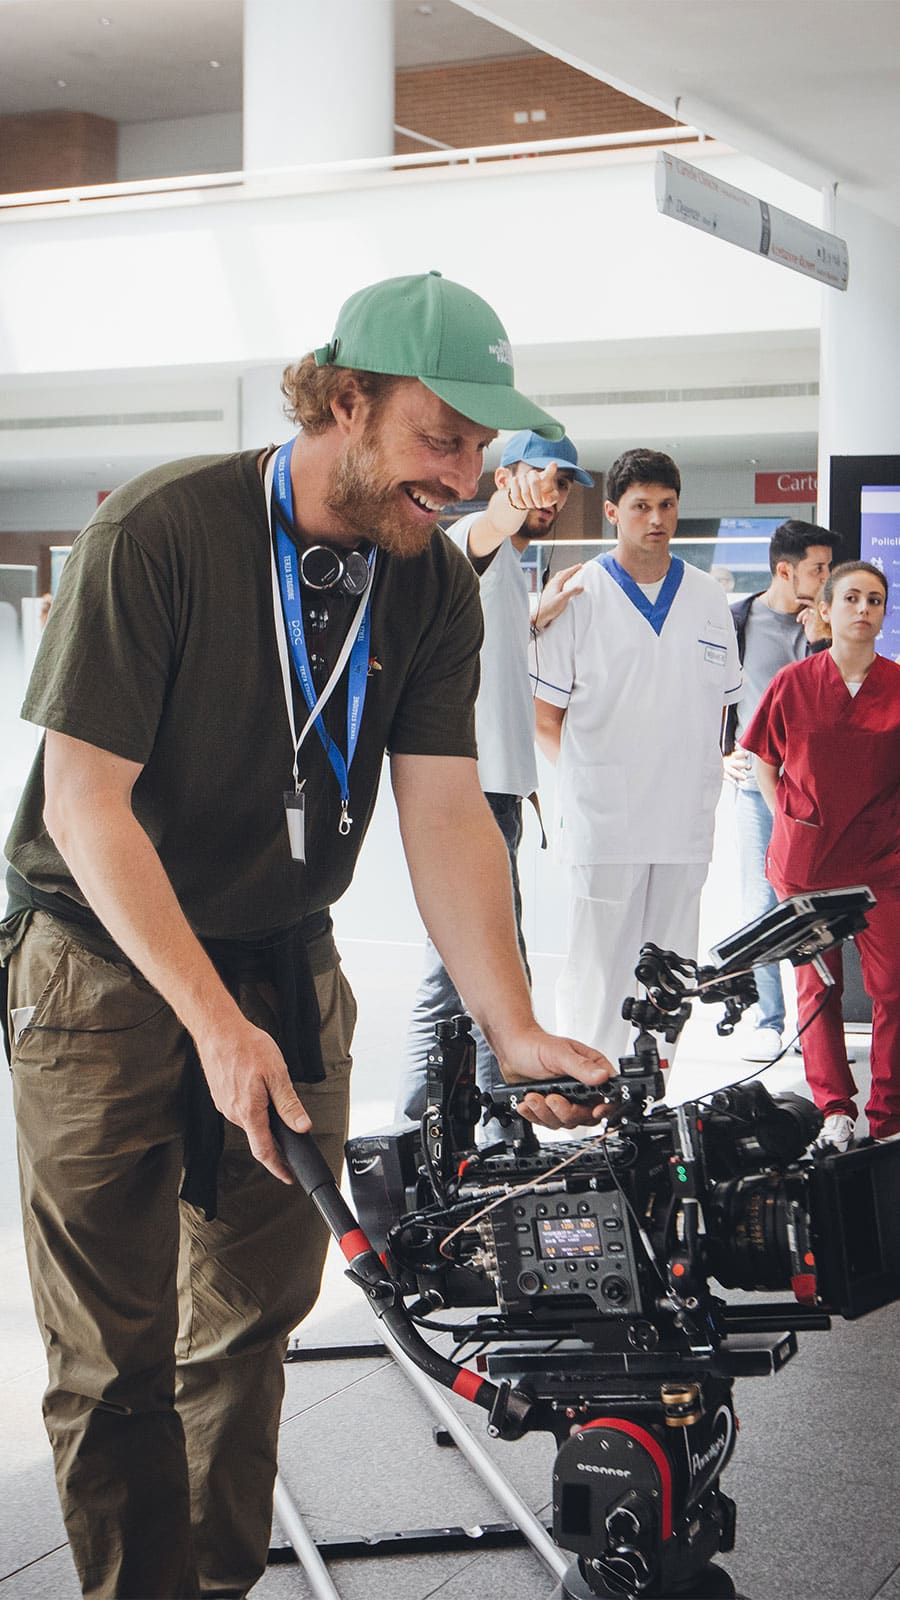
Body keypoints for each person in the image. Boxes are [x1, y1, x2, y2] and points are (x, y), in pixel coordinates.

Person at [0, 270, 615, 1600]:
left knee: (252, 1323)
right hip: (100, 967)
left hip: (283, 958)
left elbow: (446, 812)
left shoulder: (429, 588)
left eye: (479, 449)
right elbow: (83, 803)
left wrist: (509, 1022)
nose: (464, 480)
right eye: (440, 441)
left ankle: (216, 1584)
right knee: (113, 1356)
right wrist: (213, 1023)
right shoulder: (160, 532)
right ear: (344, 401)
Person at [397, 428, 592, 1123]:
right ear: (504, 477)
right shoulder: (475, 536)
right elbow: (485, 529)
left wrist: (539, 615)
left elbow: (488, 638)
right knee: (477, 966)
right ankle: (463, 1127)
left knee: (470, 968)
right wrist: (509, 504)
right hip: (474, 792)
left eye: (562, 484)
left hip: (495, 788)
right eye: (541, 477)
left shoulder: (507, 567)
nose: (552, 495)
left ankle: (462, 1123)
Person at [531, 447, 741, 1061]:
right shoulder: (578, 593)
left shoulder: (707, 597)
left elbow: (720, 707)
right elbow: (545, 718)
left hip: (682, 824)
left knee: (670, 977)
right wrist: (589, 787)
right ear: (612, 512)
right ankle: (591, 1099)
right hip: (606, 825)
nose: (656, 519)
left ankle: (651, 1101)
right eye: (641, 506)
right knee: (599, 975)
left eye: (667, 505)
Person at [741, 560, 900, 1151]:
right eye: (852, 598)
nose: (864, 609)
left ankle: (889, 1114)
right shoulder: (794, 682)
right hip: (807, 863)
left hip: (883, 859)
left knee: (894, 988)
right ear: (825, 610)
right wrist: (789, 817)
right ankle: (835, 1109)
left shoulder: (898, 684)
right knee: (818, 989)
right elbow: (764, 758)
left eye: (875, 600)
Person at [722, 520, 840, 1061]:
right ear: (786, 571)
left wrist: (822, 642)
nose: (827, 577)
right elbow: (715, 694)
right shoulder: (738, 621)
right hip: (757, 790)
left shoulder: (832, 625)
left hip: (819, 793)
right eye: (819, 568)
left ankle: (816, 1026)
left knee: (819, 908)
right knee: (761, 902)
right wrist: (719, 752)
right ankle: (768, 1019)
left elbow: (837, 704)